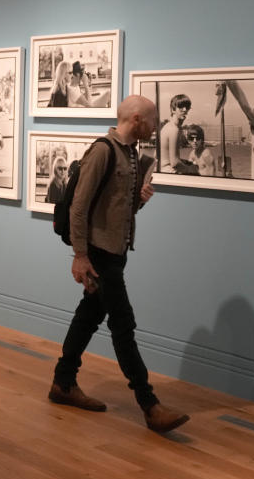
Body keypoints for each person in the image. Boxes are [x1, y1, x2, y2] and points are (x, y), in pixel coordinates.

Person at [48, 95, 190, 433]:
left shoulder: (131, 153)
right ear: (137, 119)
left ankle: (63, 383)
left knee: (89, 315)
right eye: (153, 120)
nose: (156, 127)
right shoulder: (103, 151)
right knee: (123, 325)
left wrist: (138, 202)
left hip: (115, 252)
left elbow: (116, 210)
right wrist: (80, 256)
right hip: (99, 255)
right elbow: (79, 208)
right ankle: (149, 404)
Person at [159, 94, 192, 174]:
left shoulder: (168, 126)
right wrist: (192, 170)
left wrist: (185, 162)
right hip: (168, 172)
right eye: (181, 107)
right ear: (173, 110)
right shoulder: (174, 129)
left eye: (187, 107)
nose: (185, 110)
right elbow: (175, 163)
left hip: (161, 169)